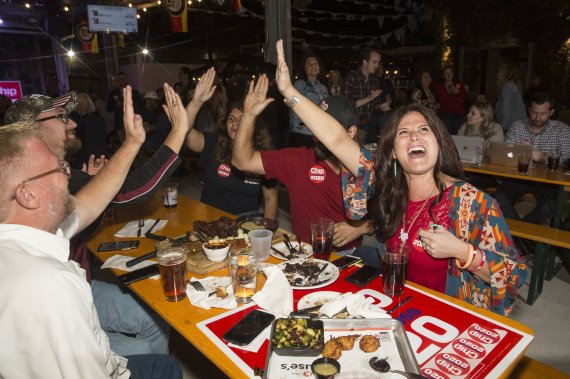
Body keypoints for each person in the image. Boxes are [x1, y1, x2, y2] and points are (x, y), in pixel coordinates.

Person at [267, 40, 527, 316]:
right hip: (394, 305)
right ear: (391, 152)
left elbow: (512, 277)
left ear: (439, 143)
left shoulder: (471, 204)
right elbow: (338, 139)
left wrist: (463, 252)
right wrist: (289, 91)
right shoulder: (386, 186)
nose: (414, 135)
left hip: (448, 316)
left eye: (423, 129)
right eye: (403, 132)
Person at [4, 83, 189, 356]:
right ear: (31, 129)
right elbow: (133, 189)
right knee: (142, 351)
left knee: (154, 320)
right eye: (61, 117)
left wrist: (96, 183)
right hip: (54, 305)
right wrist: (175, 132)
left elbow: (83, 213)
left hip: (82, 285)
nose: (72, 123)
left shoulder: (56, 174)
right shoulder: (37, 184)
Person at [232, 42, 375, 252]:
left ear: (351, 133)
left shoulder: (365, 164)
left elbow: (388, 219)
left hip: (349, 257)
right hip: (305, 257)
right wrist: (249, 115)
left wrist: (360, 228)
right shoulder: (299, 160)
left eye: (324, 128)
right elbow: (242, 161)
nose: (317, 134)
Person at [184, 68, 278, 219]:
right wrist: (196, 102)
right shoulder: (213, 143)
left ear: (252, 124)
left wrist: (267, 233)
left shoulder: (263, 156)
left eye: (242, 118)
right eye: (231, 118)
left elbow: (270, 199)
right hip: (210, 218)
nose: (235, 123)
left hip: (246, 221)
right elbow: (185, 133)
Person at [493, 91, 570, 225]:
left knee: (551, 206)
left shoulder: (562, 130)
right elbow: (506, 151)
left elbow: (566, 157)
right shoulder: (518, 126)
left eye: (543, 114)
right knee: (498, 199)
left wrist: (546, 157)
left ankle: (518, 236)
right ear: (529, 110)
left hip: (547, 180)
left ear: (551, 112)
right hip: (519, 176)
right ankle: (520, 238)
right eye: (534, 112)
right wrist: (518, 153)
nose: (537, 117)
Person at [342, 47, 383, 144]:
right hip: (356, 126)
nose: (377, 65)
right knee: (356, 156)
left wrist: (381, 106)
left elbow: (374, 105)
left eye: (378, 62)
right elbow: (347, 105)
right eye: (374, 62)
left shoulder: (374, 79)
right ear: (365, 62)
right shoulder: (351, 77)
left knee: (371, 155)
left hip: (371, 124)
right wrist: (371, 97)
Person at [289, 53, 329, 147]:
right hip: (302, 132)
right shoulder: (299, 85)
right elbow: (292, 104)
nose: (313, 65)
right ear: (304, 68)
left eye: (315, 64)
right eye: (309, 64)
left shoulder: (322, 87)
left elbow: (327, 107)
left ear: (319, 68)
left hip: (319, 133)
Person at [70, 93, 109, 170]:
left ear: (89, 104)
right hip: (81, 158)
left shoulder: (98, 120)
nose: (81, 106)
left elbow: (102, 139)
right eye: (79, 103)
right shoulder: (73, 122)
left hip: (95, 155)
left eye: (83, 103)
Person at [106, 72, 143, 138]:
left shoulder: (135, 92)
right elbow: (108, 108)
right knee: (123, 144)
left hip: (132, 122)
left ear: (127, 79)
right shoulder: (113, 93)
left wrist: (123, 104)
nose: (122, 80)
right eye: (120, 78)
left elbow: (139, 106)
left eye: (124, 78)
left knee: (133, 142)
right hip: (119, 123)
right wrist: (115, 106)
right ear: (117, 80)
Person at [436, 66, 469, 135]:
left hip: (459, 115)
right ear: (443, 76)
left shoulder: (459, 85)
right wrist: (454, 95)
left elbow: (465, 97)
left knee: (459, 136)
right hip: (447, 116)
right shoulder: (440, 87)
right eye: (446, 73)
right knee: (448, 136)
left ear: (453, 74)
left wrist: (459, 93)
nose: (448, 75)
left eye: (450, 72)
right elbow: (444, 100)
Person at [495, 63, 526, 132]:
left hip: (510, 127)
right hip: (516, 125)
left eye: (500, 71)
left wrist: (502, 128)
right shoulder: (513, 85)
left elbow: (506, 110)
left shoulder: (507, 87)